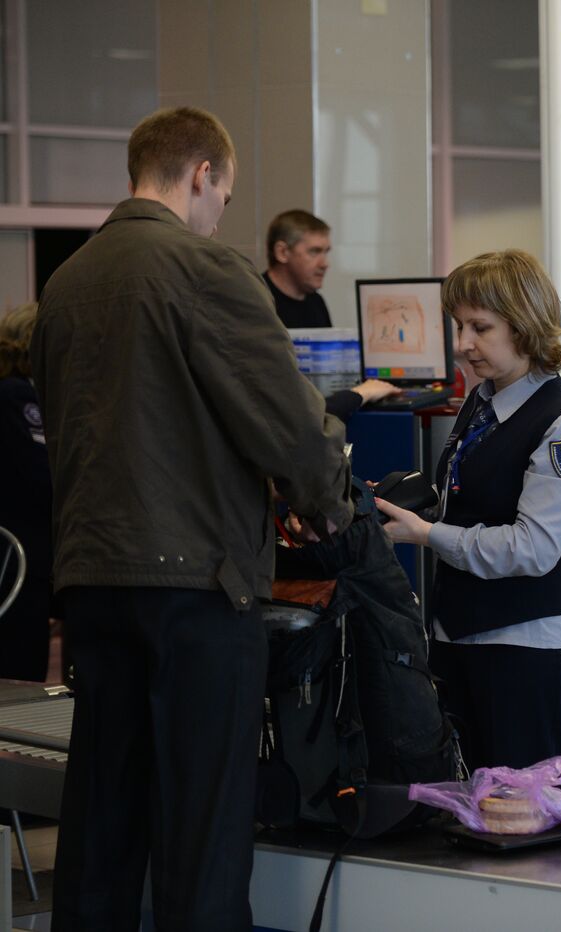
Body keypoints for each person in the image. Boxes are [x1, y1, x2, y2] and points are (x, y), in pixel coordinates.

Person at [32, 106, 353, 930]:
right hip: (196, 590)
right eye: (224, 195)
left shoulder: (67, 283)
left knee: (103, 823)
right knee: (202, 836)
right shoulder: (206, 269)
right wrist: (327, 505)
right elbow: (284, 419)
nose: (220, 214)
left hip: (93, 584)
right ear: (203, 174)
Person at [375, 249, 561, 772]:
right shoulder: (482, 401)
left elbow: (534, 547)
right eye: (458, 326)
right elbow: (463, 494)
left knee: (518, 822)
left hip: (524, 652)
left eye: (480, 327)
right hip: (459, 640)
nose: (462, 345)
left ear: (523, 326)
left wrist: (429, 535)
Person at [263, 208, 399, 420]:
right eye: (314, 252)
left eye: (326, 252)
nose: (325, 263)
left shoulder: (316, 302)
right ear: (282, 252)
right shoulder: (259, 300)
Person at [0, 303, 52, 682]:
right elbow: (42, 474)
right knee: (20, 677)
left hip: (20, 549)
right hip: (21, 556)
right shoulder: (18, 397)